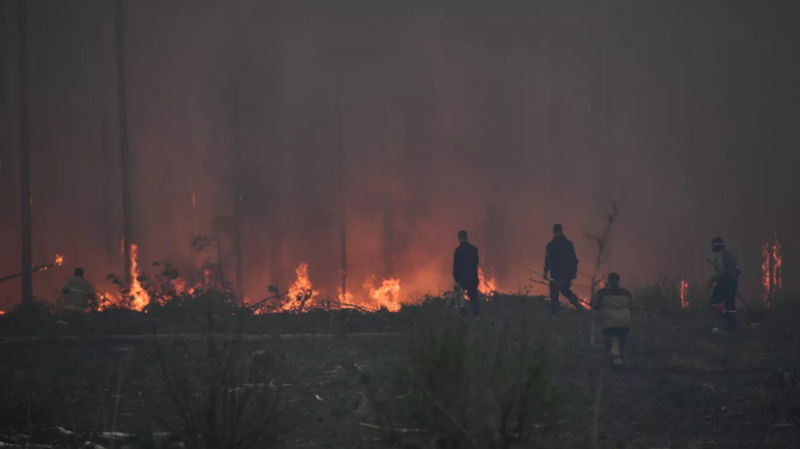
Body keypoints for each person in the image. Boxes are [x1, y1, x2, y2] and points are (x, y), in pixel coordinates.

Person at [592, 272, 633, 366]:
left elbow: (593, 304)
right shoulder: (626, 292)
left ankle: (616, 358)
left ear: (608, 280)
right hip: (625, 323)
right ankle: (619, 357)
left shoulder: (602, 292)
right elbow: (632, 305)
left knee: (612, 338)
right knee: (621, 338)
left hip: (609, 322)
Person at [543, 223, 585, 314]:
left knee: (554, 294)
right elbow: (574, 260)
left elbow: (549, 260)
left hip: (555, 275)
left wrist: (545, 272)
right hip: (567, 274)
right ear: (562, 231)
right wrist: (573, 273)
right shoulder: (569, 244)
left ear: (553, 232)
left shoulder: (551, 245)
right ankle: (578, 305)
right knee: (565, 290)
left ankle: (555, 314)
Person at [708, 237, 740, 329]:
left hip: (725, 282)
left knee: (714, 301)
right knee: (730, 304)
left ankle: (730, 319)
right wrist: (733, 279)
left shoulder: (719, 255)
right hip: (733, 283)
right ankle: (734, 326)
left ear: (716, 247)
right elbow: (738, 270)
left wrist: (712, 280)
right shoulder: (730, 255)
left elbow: (721, 272)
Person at [453, 230, 481, 319]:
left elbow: (456, 267)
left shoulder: (458, 251)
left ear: (459, 239)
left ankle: (463, 316)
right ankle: (477, 315)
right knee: (474, 298)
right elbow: (476, 262)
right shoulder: (474, 249)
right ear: (467, 237)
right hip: (472, 278)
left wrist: (456, 280)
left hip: (462, 279)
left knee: (459, 298)